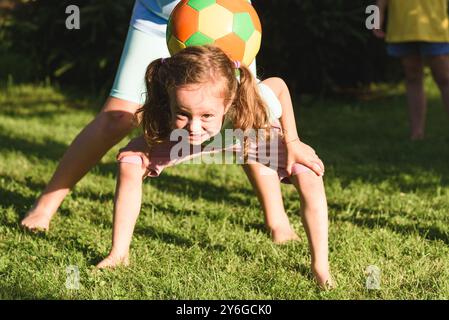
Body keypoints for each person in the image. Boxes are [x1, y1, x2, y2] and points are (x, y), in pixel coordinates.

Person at [21, 0, 310, 243]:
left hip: (227, 20)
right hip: (158, 15)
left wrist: (292, 140)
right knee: (118, 119)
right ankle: (45, 206)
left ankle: (277, 219)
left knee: (243, 119)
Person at [95, 46, 333, 289]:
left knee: (309, 172)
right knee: (130, 162)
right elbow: (162, 132)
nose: (194, 126)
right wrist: (144, 149)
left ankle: (320, 268)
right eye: (183, 113)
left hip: (246, 137)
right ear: (170, 100)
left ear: (229, 100)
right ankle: (119, 254)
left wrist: (293, 143)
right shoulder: (171, 113)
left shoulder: (252, 101)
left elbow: (279, 86)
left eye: (206, 115)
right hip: (182, 144)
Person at [374, 0, 449, 140]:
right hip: (403, 26)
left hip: (435, 26)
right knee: (412, 76)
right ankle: (417, 134)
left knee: (444, 77)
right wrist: (376, 17)